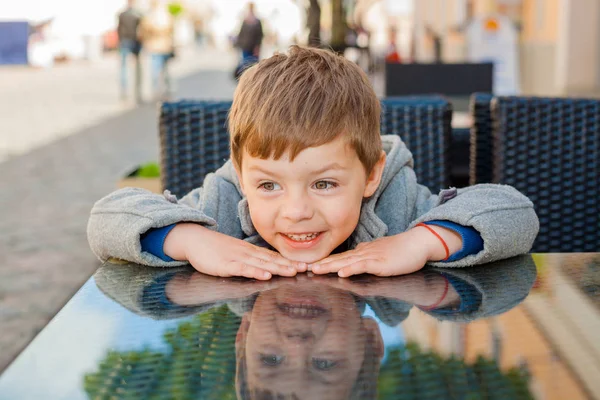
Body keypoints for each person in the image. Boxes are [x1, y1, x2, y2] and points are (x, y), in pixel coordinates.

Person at [87, 46, 539, 281]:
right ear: (243, 176)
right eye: (269, 186)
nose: (296, 210)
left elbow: (515, 213)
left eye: (323, 184)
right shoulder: (222, 204)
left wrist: (421, 242)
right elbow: (107, 218)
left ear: (371, 174)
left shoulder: (396, 203)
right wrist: (189, 240)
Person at [94, 255, 537, 398]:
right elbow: (110, 219)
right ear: (369, 339)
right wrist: (419, 243)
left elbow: (514, 215)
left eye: (271, 360)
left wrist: (191, 243)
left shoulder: (230, 221)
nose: (298, 342)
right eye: (324, 363)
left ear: (243, 335)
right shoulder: (234, 203)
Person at [137, 0, 174, 99]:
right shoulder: (166, 16)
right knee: (163, 70)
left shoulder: (150, 17)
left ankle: (158, 90)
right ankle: (164, 90)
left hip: (156, 47)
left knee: (157, 70)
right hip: (162, 46)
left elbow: (143, 32)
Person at [117, 0, 143, 103]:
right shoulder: (138, 14)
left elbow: (119, 29)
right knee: (136, 68)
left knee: (124, 68)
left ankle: (124, 92)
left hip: (125, 41)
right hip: (134, 41)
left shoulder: (122, 14)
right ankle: (137, 92)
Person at [233, 2, 263, 79]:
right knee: (245, 65)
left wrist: (258, 47)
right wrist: (237, 44)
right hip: (245, 47)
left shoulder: (257, 21)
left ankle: (253, 80)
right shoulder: (245, 20)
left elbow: (260, 36)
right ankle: (245, 80)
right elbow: (241, 34)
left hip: (254, 48)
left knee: (254, 66)